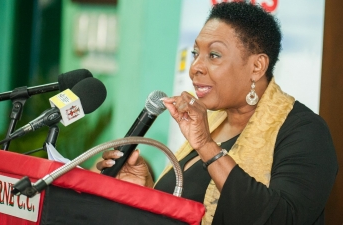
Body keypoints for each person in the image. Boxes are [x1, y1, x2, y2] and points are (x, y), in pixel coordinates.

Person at [96, 2, 338, 224]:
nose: (194, 68)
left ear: (257, 66)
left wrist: (206, 146)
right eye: (195, 54)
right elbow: (184, 208)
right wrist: (145, 191)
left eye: (213, 55)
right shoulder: (213, 123)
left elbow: (281, 218)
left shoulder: (305, 132)